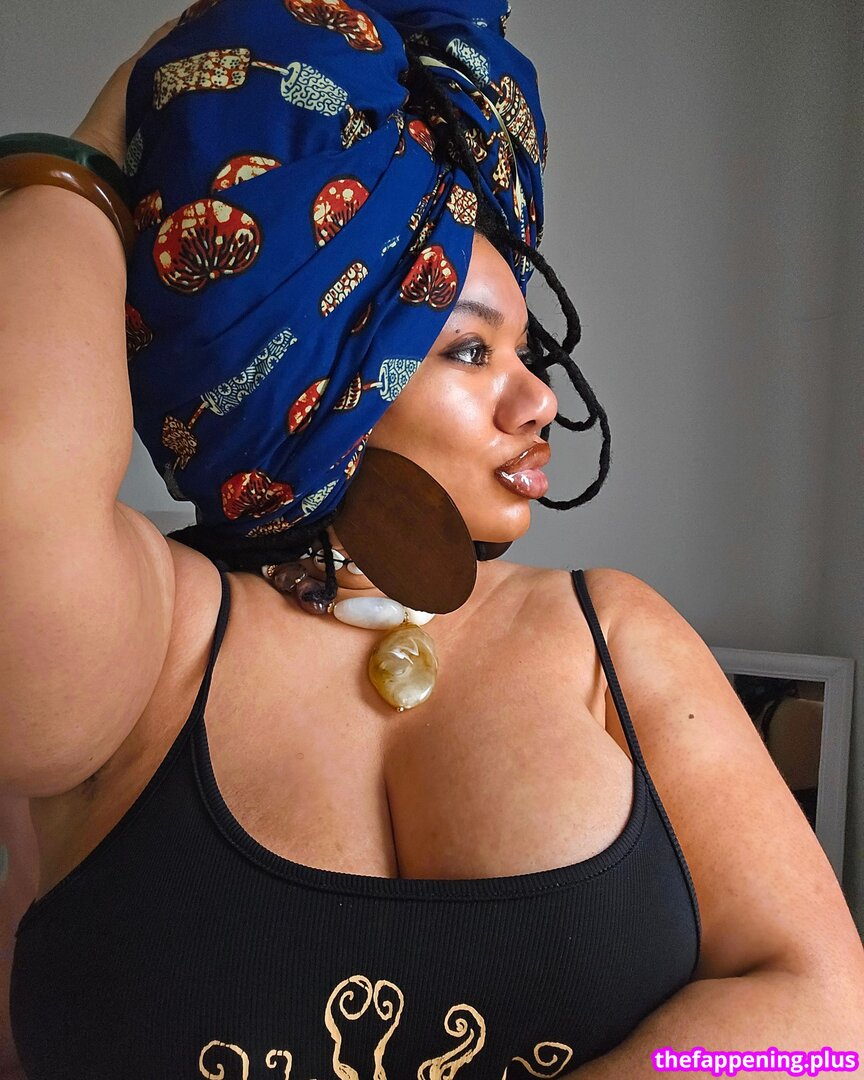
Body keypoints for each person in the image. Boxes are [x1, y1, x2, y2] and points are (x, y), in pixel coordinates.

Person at [1, 3, 863, 1078]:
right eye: (467, 351)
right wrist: (101, 140)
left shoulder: (610, 633)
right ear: (317, 379)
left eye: (527, 352)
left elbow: (826, 1036)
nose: (540, 401)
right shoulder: (151, 641)